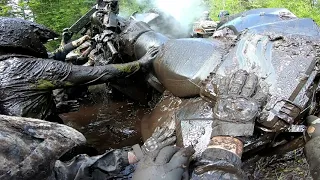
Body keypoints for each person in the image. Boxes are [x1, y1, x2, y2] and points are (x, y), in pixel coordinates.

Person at [0, 17, 159, 123]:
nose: (41, 45)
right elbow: (99, 73)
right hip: (37, 138)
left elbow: (55, 55)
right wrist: (140, 63)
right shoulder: (32, 67)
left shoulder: (8, 65)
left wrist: (55, 108)